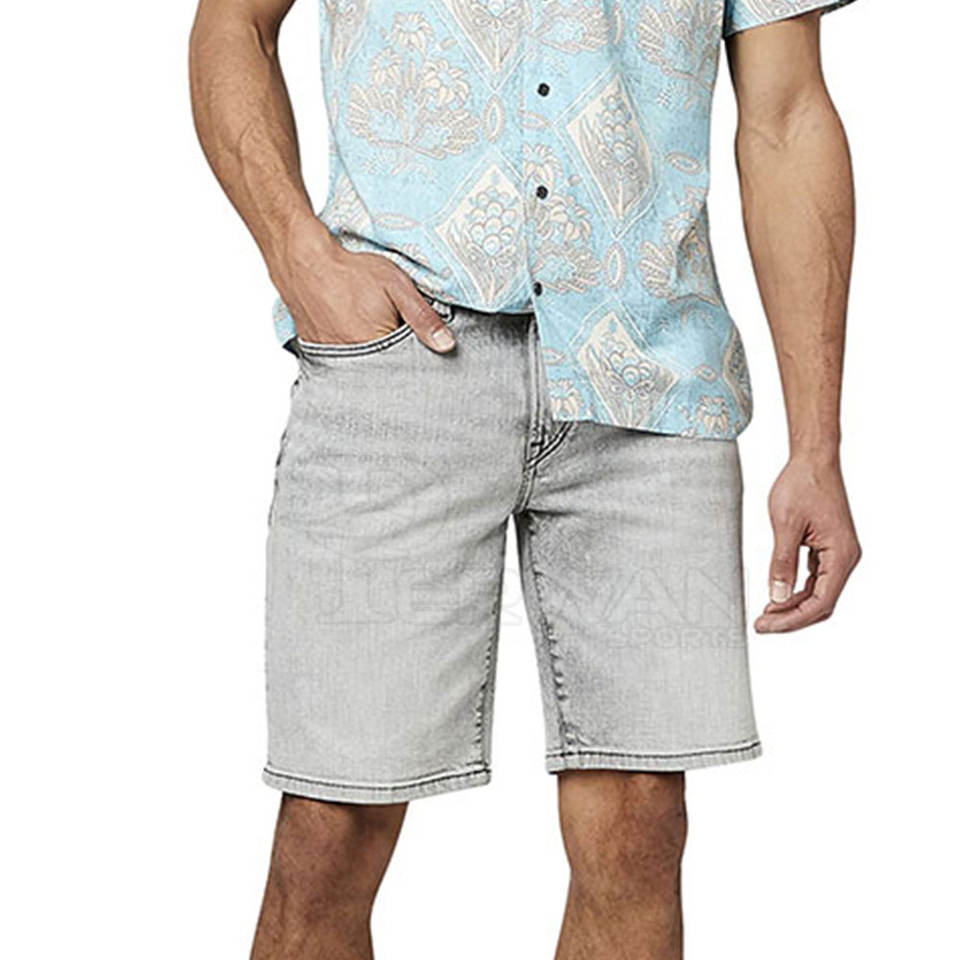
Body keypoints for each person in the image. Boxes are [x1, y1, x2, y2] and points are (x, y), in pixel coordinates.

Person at [189, 1, 862, 956]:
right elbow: (235, 24)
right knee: (333, 825)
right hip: (402, 360)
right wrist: (298, 252)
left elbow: (788, 116)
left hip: (650, 376)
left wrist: (816, 447)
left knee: (639, 824)